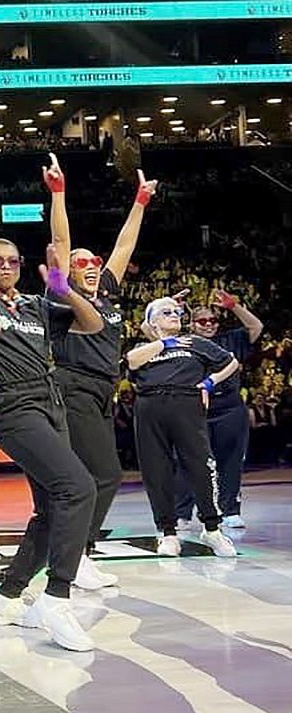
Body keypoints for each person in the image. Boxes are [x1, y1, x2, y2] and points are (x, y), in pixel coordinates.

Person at [0, 232, 105, 653]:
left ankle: (6, 597)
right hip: (11, 406)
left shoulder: (32, 306)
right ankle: (57, 597)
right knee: (78, 487)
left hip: (51, 401)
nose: (4, 267)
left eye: (11, 261)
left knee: (49, 511)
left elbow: (93, 323)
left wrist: (63, 289)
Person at [45, 155, 158, 590]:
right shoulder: (65, 297)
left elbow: (125, 246)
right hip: (72, 390)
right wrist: (58, 195)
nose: (91, 265)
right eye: (81, 262)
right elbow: (60, 239)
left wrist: (141, 202)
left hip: (100, 394)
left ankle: (74, 553)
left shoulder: (105, 294)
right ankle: (78, 555)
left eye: (94, 262)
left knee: (90, 478)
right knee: (104, 475)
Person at [126, 296, 240, 558]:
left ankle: (212, 528)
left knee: (201, 464)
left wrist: (211, 382)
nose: (175, 315)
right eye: (167, 312)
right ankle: (167, 532)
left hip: (187, 403)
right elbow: (132, 361)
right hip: (150, 406)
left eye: (177, 312)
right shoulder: (146, 347)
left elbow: (230, 362)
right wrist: (164, 342)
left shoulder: (195, 343)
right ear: (153, 321)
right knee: (157, 470)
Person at [174, 292, 262, 529]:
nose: (209, 325)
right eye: (203, 321)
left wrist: (234, 306)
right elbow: (152, 331)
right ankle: (181, 513)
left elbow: (256, 326)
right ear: (191, 324)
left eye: (212, 320)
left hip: (230, 409)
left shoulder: (231, 339)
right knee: (190, 462)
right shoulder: (182, 341)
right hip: (194, 410)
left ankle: (229, 510)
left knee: (231, 462)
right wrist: (171, 307)